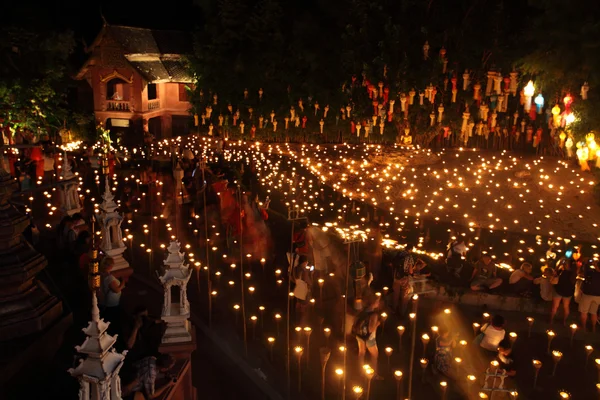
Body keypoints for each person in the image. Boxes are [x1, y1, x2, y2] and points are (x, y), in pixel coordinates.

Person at [352, 296, 382, 377]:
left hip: (359, 335)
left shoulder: (361, 311)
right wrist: (377, 324)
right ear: (373, 303)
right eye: (377, 301)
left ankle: (360, 371)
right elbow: (371, 329)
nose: (379, 303)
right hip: (369, 338)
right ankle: (373, 374)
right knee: (375, 355)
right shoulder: (374, 315)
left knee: (361, 353)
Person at [99, 257, 125, 334]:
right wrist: (123, 282)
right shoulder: (109, 277)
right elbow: (117, 290)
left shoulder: (102, 274)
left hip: (107, 302)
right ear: (110, 265)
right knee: (113, 321)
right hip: (112, 304)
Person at [550, 258, 577, 326]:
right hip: (568, 292)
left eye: (565, 263)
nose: (564, 264)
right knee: (566, 307)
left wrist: (559, 264)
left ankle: (551, 320)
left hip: (559, 290)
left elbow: (554, 273)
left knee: (555, 306)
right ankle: (564, 321)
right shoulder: (574, 273)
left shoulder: (562, 272)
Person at [578, 258, 600, 333]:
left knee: (584, 312)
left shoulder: (592, 273)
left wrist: (586, 264)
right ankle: (593, 328)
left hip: (587, 295)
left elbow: (585, 273)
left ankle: (583, 327)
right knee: (594, 312)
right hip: (598, 296)